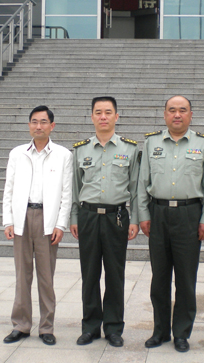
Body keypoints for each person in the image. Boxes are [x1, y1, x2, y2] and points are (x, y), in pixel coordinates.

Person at [138, 95, 204, 353]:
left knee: (185, 278)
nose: (177, 114)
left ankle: (182, 333)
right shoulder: (151, 143)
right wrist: (143, 214)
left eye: (183, 110)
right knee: (159, 278)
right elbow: (142, 182)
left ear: (191, 115)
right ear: (164, 115)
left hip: (189, 215)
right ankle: (160, 331)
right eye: (172, 110)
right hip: (158, 213)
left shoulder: (203, 144)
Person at [70, 96, 140, 348]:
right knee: (89, 274)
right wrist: (74, 217)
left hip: (116, 217)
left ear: (116, 116)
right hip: (88, 216)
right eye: (98, 112)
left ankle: (113, 327)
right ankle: (90, 327)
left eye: (108, 112)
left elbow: (135, 187)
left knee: (115, 274)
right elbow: (75, 187)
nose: (103, 116)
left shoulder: (130, 149)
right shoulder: (80, 149)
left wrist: (135, 219)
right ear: (92, 116)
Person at [2, 105, 73, 346]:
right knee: (22, 275)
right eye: (34, 121)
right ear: (29, 125)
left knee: (46, 276)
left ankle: (46, 327)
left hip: (47, 219)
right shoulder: (17, 153)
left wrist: (61, 224)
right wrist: (8, 220)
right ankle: (21, 325)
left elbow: (67, 193)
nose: (38, 126)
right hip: (22, 218)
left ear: (52, 126)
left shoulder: (63, 155)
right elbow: (9, 189)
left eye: (43, 122)